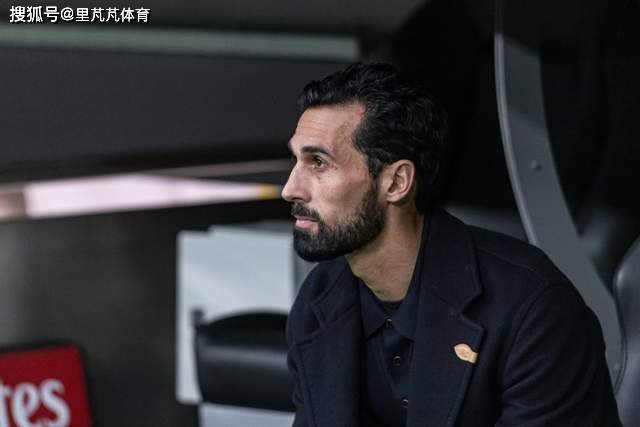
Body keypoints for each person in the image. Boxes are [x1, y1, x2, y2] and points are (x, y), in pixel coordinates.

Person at [281, 63, 621, 427]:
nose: (290, 189)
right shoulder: (320, 299)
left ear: (396, 183)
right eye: (296, 160)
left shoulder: (533, 308)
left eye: (318, 163)